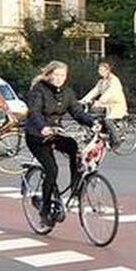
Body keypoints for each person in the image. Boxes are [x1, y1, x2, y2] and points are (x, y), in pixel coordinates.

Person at [23, 61, 80, 221]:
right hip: (37, 136)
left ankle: (75, 187)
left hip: (54, 133)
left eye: (62, 75)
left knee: (74, 147)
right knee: (52, 170)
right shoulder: (38, 90)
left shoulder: (67, 92)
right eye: (56, 75)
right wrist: (43, 127)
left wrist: (94, 123)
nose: (59, 78)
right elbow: (34, 112)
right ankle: (45, 210)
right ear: (48, 75)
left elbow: (77, 111)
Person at [78, 60, 127, 150]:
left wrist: (100, 101)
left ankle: (116, 141)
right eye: (99, 70)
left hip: (117, 105)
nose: (100, 72)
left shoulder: (114, 80)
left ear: (108, 70)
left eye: (102, 70)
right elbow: (94, 91)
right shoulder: (101, 82)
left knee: (108, 120)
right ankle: (101, 135)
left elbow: (110, 92)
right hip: (106, 106)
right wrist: (83, 100)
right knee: (94, 116)